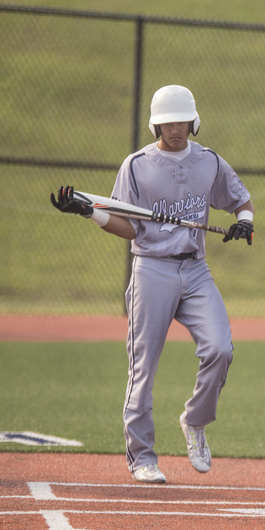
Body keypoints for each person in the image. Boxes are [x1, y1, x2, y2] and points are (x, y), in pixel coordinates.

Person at [51, 85, 254, 484]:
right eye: (166, 122)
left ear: (192, 122)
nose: (174, 129)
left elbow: (241, 200)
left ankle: (195, 421)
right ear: (155, 123)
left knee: (220, 349)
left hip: (195, 270)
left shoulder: (210, 162)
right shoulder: (136, 165)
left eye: (180, 121)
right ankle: (142, 458)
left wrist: (245, 221)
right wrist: (89, 212)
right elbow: (128, 227)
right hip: (151, 270)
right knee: (142, 370)